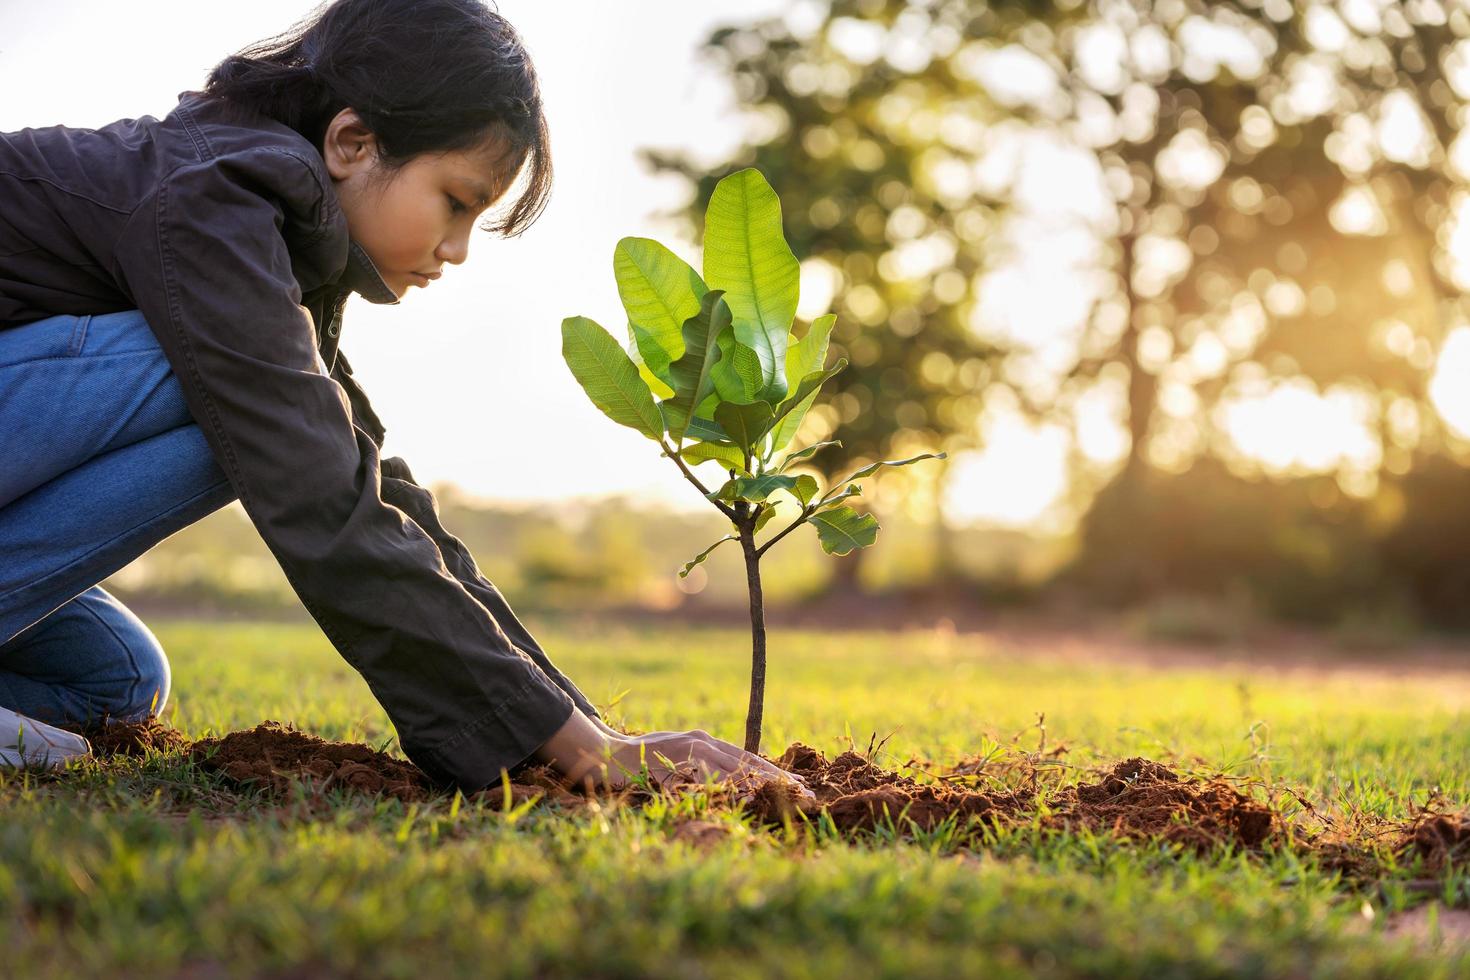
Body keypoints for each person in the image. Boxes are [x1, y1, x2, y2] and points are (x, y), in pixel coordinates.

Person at [0, 0, 810, 800]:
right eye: (456, 202)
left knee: (114, 682)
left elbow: (369, 483)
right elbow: (322, 495)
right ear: (353, 142)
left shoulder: (269, 233)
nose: (456, 250)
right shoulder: (215, 198)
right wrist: (587, 746)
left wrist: (574, 730)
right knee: (205, 379)